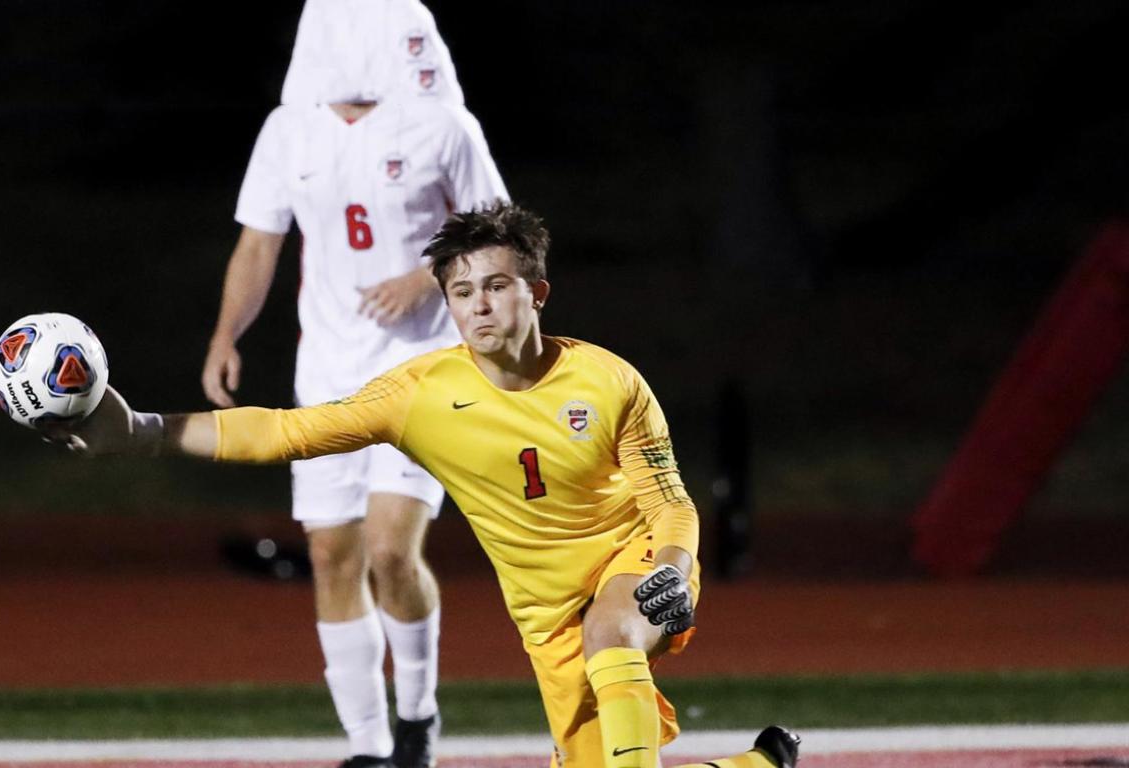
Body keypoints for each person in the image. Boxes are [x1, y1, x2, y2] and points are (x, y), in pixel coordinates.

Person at [50, 202, 801, 768]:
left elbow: (670, 502)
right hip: (545, 618)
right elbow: (284, 432)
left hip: (635, 570)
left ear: (537, 293)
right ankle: (759, 765)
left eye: (497, 285)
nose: (478, 303)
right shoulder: (418, 394)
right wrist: (141, 431)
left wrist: (670, 572)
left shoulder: (610, 383)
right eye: (461, 289)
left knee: (612, 630)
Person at [200, 1, 507, 765]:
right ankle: (369, 746)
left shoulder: (442, 126)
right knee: (333, 556)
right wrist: (224, 336)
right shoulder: (289, 130)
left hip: (426, 372)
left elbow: (498, 235)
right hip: (328, 379)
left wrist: (427, 277)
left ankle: (418, 714)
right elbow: (258, 245)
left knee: (388, 550)